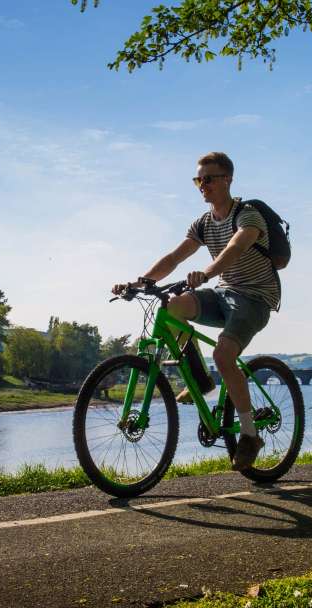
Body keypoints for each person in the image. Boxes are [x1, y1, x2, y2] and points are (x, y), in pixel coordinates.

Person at [112, 152, 280, 470]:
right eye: (197, 180)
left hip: (255, 297)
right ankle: (201, 381)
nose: (202, 185)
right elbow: (174, 257)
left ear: (227, 179)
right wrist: (140, 282)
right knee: (173, 306)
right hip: (223, 293)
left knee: (224, 355)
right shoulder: (203, 224)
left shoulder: (248, 215)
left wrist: (206, 272)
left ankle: (248, 434)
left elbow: (236, 247)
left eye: (208, 178)